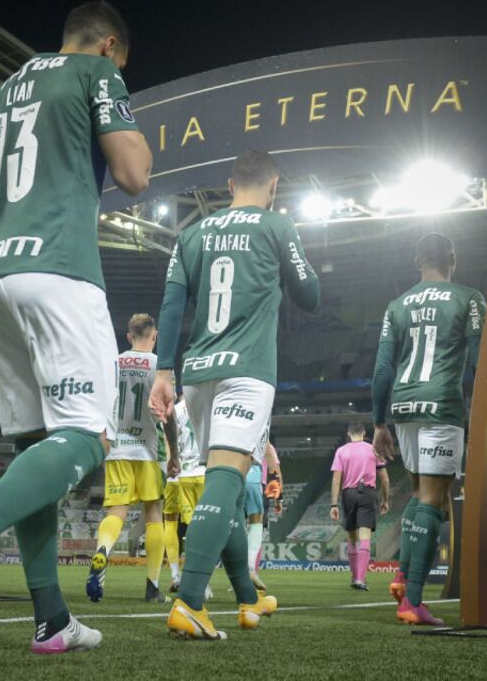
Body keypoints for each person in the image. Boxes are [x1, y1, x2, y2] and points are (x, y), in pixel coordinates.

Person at [0, 0, 153, 657]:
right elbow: (133, 174)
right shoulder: (97, 73)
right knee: (89, 435)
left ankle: (51, 619)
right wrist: (117, 108)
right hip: (59, 272)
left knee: (41, 442)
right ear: (109, 45)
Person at [150, 149, 320, 640]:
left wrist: (164, 370)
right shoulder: (277, 225)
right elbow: (310, 296)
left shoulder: (192, 234)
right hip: (247, 370)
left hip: (198, 372)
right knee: (225, 483)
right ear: (274, 186)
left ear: (229, 185)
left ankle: (248, 597)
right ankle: (190, 601)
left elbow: (172, 303)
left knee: (222, 483)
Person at [372, 232, 484, 626]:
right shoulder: (468, 298)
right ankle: (413, 602)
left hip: (403, 406)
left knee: (420, 494)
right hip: (440, 405)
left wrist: (379, 422)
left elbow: (382, 369)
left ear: (417, 261)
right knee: (434, 501)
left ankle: (402, 577)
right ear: (453, 259)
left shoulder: (397, 305)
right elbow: (479, 357)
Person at [88, 313, 171, 604]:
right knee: (154, 512)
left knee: (116, 511)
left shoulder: (113, 363)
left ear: (128, 337)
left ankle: (103, 551)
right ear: (154, 336)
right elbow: (167, 412)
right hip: (149, 448)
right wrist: (173, 452)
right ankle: (152, 586)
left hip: (117, 447)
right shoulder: (160, 366)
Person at [329, 422, 390, 590]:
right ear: (363, 433)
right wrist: (385, 500)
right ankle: (360, 579)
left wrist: (334, 504)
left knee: (351, 537)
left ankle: (354, 576)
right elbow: (384, 478)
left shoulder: (341, 451)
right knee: (365, 536)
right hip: (368, 493)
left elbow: (336, 479)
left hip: (348, 494)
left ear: (349, 434)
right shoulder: (374, 449)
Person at [161, 394, 203, 594]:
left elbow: (167, 441)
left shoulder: (175, 410)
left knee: (170, 521)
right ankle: (199, 580)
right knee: (199, 525)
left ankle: (175, 575)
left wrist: (169, 467)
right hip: (201, 472)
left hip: (176, 474)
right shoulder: (206, 405)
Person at [244, 426, 280, 591]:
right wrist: (279, 497)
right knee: (256, 522)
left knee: (234, 526)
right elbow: (274, 469)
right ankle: (251, 568)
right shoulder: (263, 437)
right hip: (254, 477)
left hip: (232, 476)